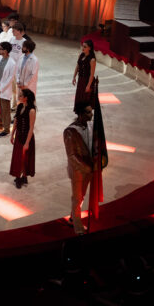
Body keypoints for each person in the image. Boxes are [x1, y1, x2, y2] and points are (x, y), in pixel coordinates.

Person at [64, 104, 94, 235]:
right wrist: (86, 168)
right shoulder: (70, 131)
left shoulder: (91, 126)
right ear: (80, 114)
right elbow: (72, 156)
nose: (91, 115)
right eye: (88, 112)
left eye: (91, 112)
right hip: (78, 170)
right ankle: (77, 226)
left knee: (81, 196)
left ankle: (72, 217)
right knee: (77, 198)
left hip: (89, 168)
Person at [10, 88, 37, 189]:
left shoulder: (32, 111)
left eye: (21, 95)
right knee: (18, 158)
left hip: (26, 138)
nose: (19, 96)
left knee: (23, 159)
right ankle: (23, 176)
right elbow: (16, 120)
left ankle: (20, 178)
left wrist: (27, 143)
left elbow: (31, 128)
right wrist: (12, 133)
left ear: (26, 98)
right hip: (18, 136)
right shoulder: (20, 106)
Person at [72, 39, 98, 112]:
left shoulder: (92, 60)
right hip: (81, 80)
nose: (82, 48)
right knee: (79, 97)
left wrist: (88, 85)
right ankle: (79, 114)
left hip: (87, 81)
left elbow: (92, 74)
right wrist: (74, 77)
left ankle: (85, 115)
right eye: (82, 46)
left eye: (85, 47)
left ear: (89, 48)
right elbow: (77, 67)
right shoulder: (81, 55)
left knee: (85, 99)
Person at [0, 42, 15, 137]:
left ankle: (6, 129)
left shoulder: (12, 63)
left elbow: (10, 78)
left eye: (1, 49)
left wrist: (2, 88)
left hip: (4, 90)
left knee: (5, 110)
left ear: (6, 51)